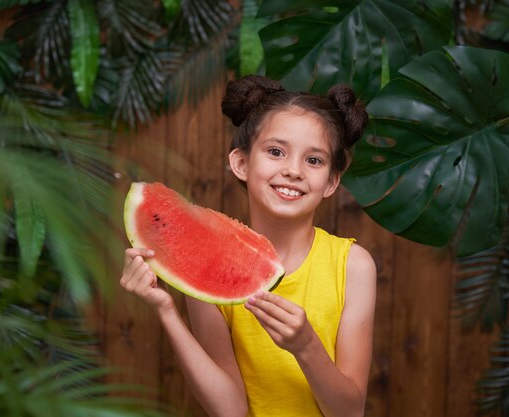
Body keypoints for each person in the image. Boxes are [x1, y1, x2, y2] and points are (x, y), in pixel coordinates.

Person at [120, 75, 377, 417]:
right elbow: (230, 410)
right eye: (275, 152)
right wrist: (166, 309)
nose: (293, 170)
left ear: (330, 182)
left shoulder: (353, 265)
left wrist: (306, 347)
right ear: (241, 163)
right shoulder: (207, 261)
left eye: (313, 160)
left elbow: (350, 412)